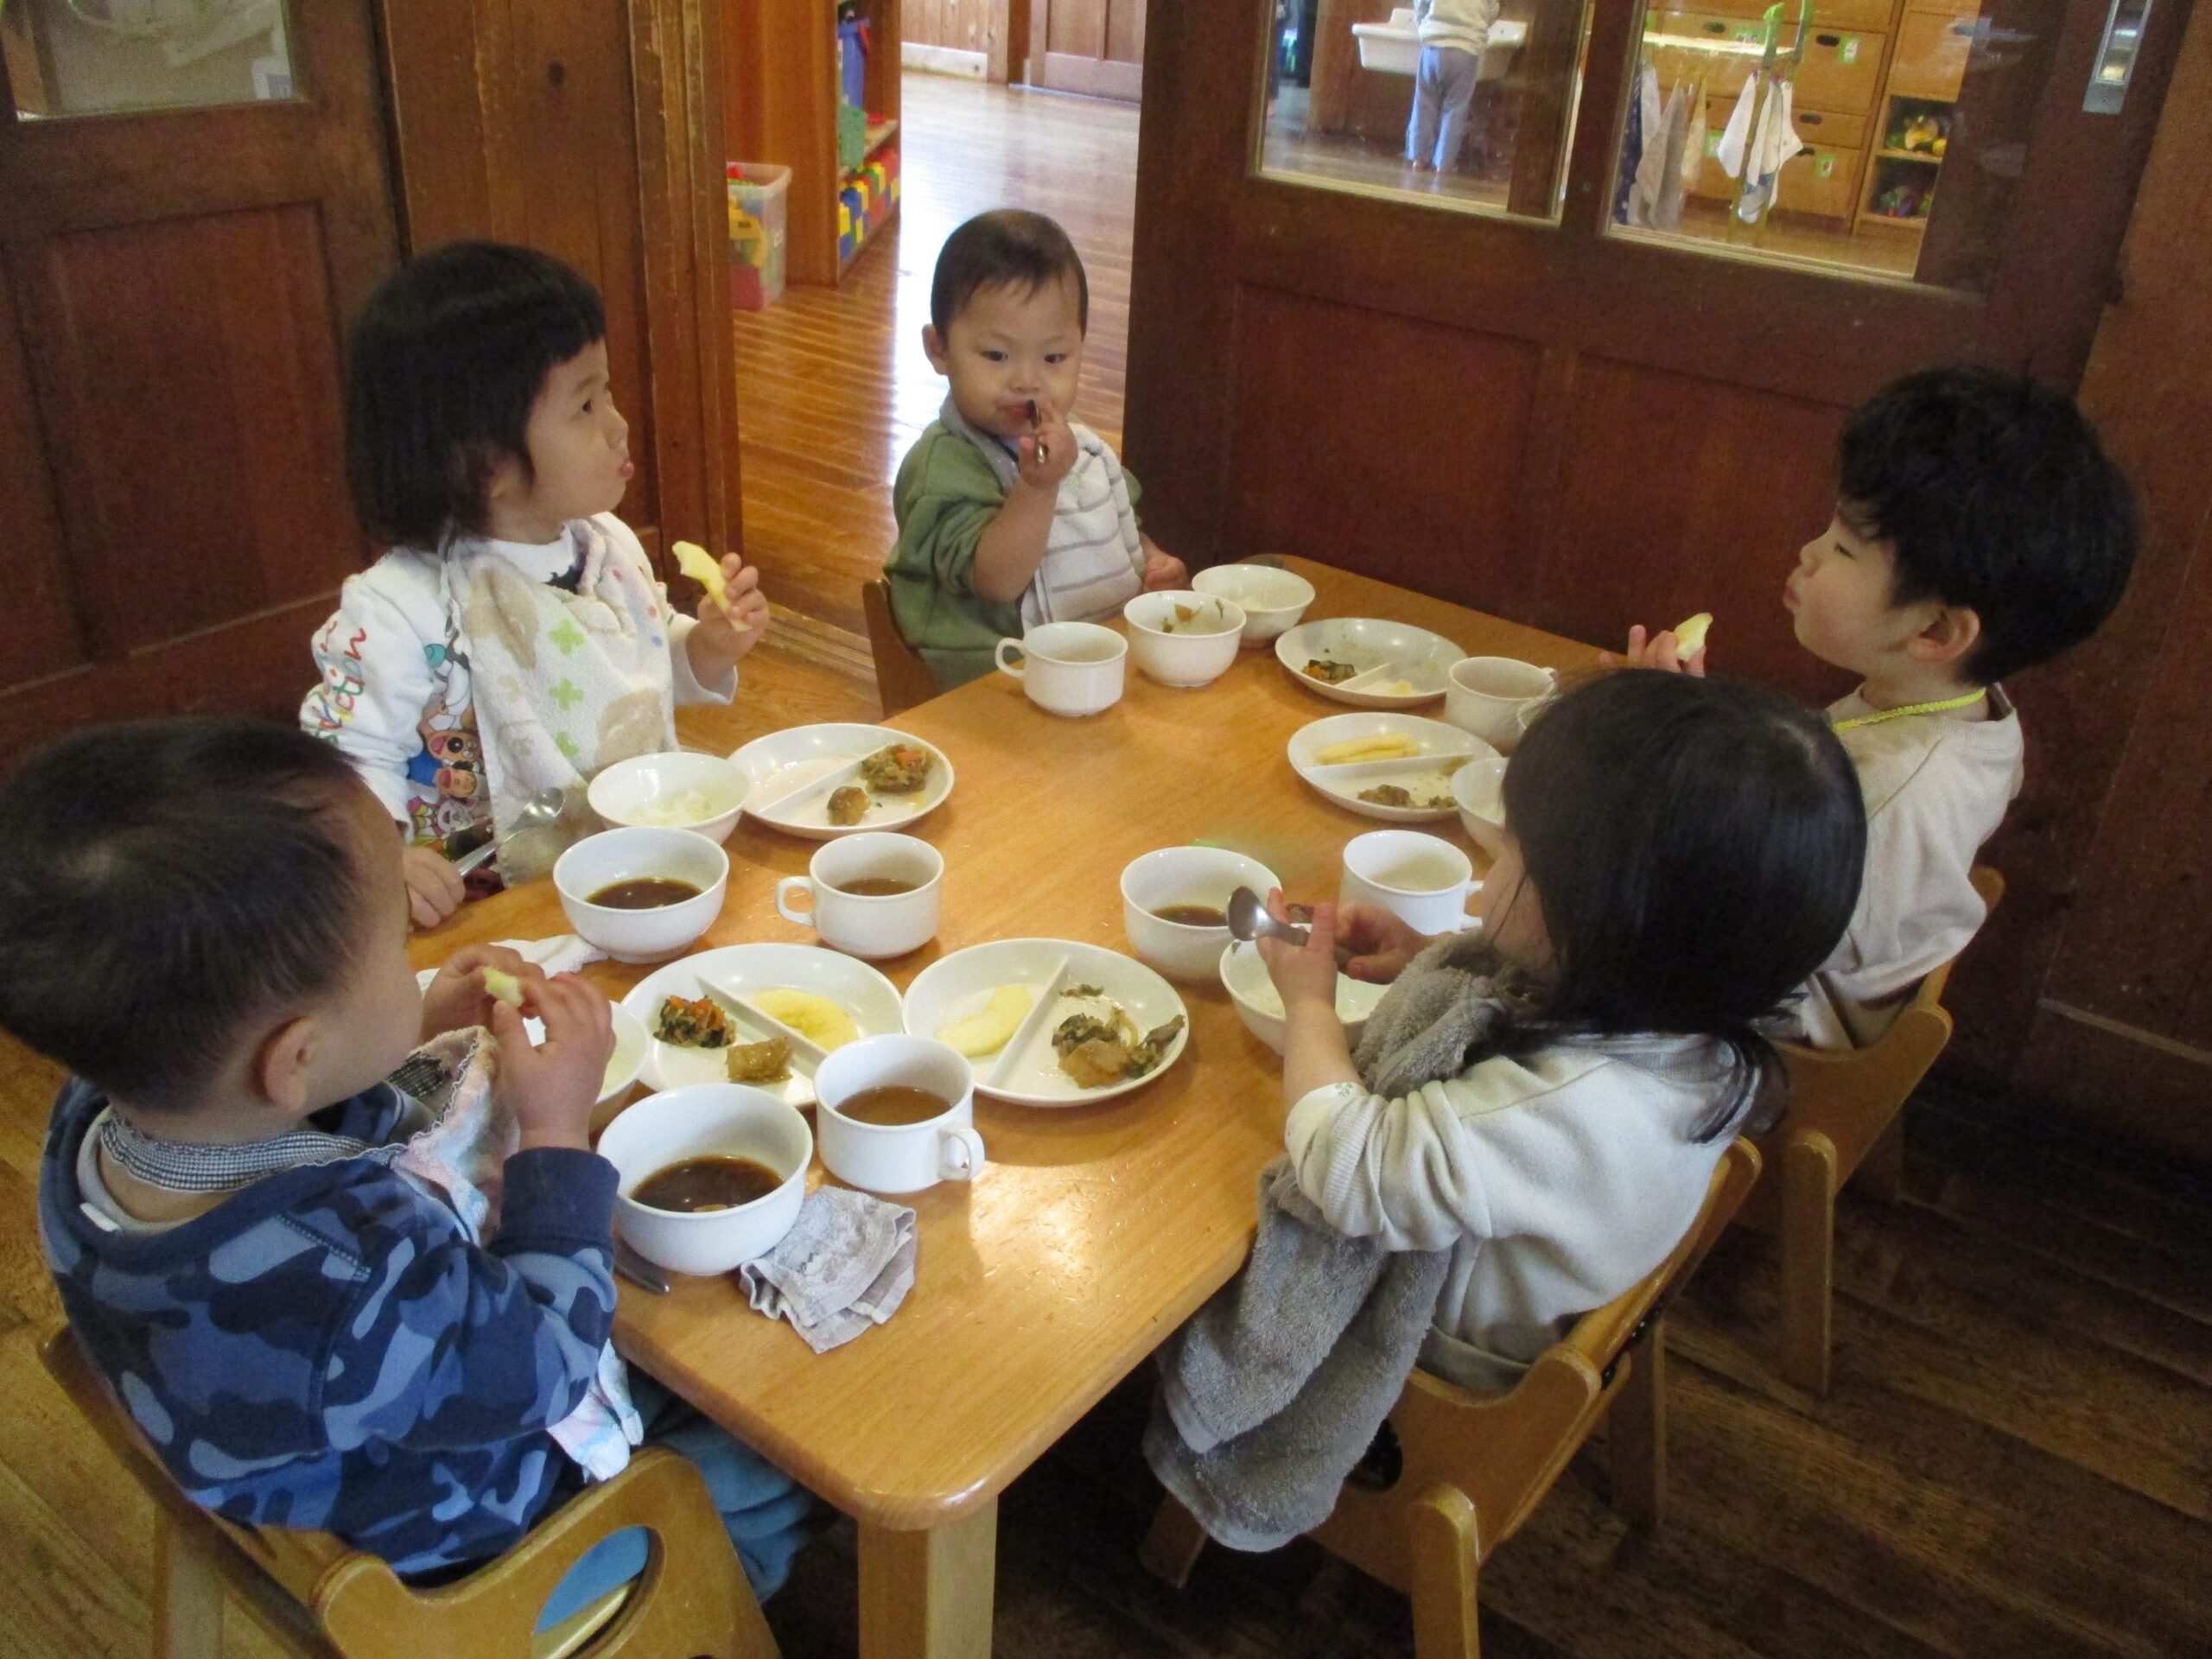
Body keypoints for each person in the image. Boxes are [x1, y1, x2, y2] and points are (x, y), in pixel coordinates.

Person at [3, 719, 812, 1621]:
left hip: (320, 1468)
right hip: (483, 1557)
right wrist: (555, 1131)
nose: (407, 963)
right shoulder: (351, 1273)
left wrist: (410, 1033)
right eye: (395, 949)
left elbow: (286, 1113)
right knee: (772, 1459)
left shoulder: (104, 1107)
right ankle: (709, 1614)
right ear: (296, 1057)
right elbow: (548, 1362)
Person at [1144, 673, 1866, 1547]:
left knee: (1165, 1242)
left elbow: (1349, 1165)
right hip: (1546, 1314)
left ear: (1607, 923)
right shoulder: (1700, 1027)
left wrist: (1307, 1006)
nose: (1486, 888)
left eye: (1515, 860)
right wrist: (1428, 956)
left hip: (1425, 1378)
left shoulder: (1572, 1108)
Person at [1615, 366, 2139, 1046]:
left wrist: (1659, 750)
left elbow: (1742, 931)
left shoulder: (1890, 794)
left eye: (1842, 547)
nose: (1808, 554)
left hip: (1765, 1038)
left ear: (1935, 631)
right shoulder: (1958, 707)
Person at [301, 241, 771, 928]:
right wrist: (385, 859)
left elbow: (632, 664)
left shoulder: (606, 544)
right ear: (485, 462)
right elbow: (345, 762)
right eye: (584, 407)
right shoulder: (402, 611)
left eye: (607, 392)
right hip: (489, 913)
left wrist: (705, 647)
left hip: (634, 870)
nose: (619, 426)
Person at [884, 209, 1186, 690]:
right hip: (992, 677)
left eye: (1053, 357)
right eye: (996, 355)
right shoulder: (943, 466)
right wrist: (1039, 487)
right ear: (939, 349)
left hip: (1095, 656)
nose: (1027, 380)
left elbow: (1116, 523)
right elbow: (997, 580)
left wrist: (1153, 562)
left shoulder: (1080, 445)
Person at [1406, 0, 1499, 175]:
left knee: (1424, 103)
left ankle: (1419, 157)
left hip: (1433, 45)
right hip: (1466, 49)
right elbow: (1492, 11)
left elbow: (1420, 4)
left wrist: (1424, 24)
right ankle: (1444, 163)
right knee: (1456, 108)